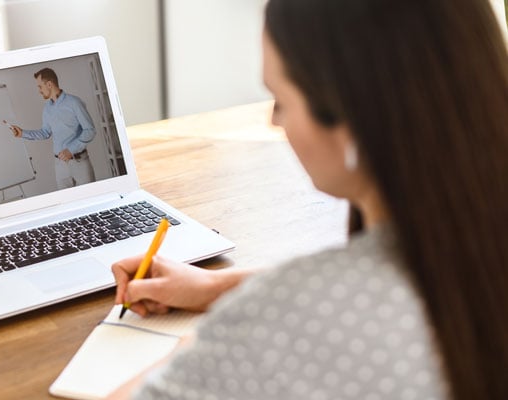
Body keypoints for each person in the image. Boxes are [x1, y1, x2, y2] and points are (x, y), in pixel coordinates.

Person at [108, 0, 508, 399]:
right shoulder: (466, 252)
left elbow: (318, 308)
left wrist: (209, 347)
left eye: (281, 100)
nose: (274, 121)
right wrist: (215, 286)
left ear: (350, 120)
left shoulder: (290, 321)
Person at [9, 67, 96, 189]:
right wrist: (22, 133)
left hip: (80, 163)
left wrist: (71, 150)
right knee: (66, 204)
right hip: (60, 167)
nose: (39, 90)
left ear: (49, 84)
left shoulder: (74, 102)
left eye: (40, 86)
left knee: (90, 201)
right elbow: (45, 132)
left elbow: (90, 130)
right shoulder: (47, 109)